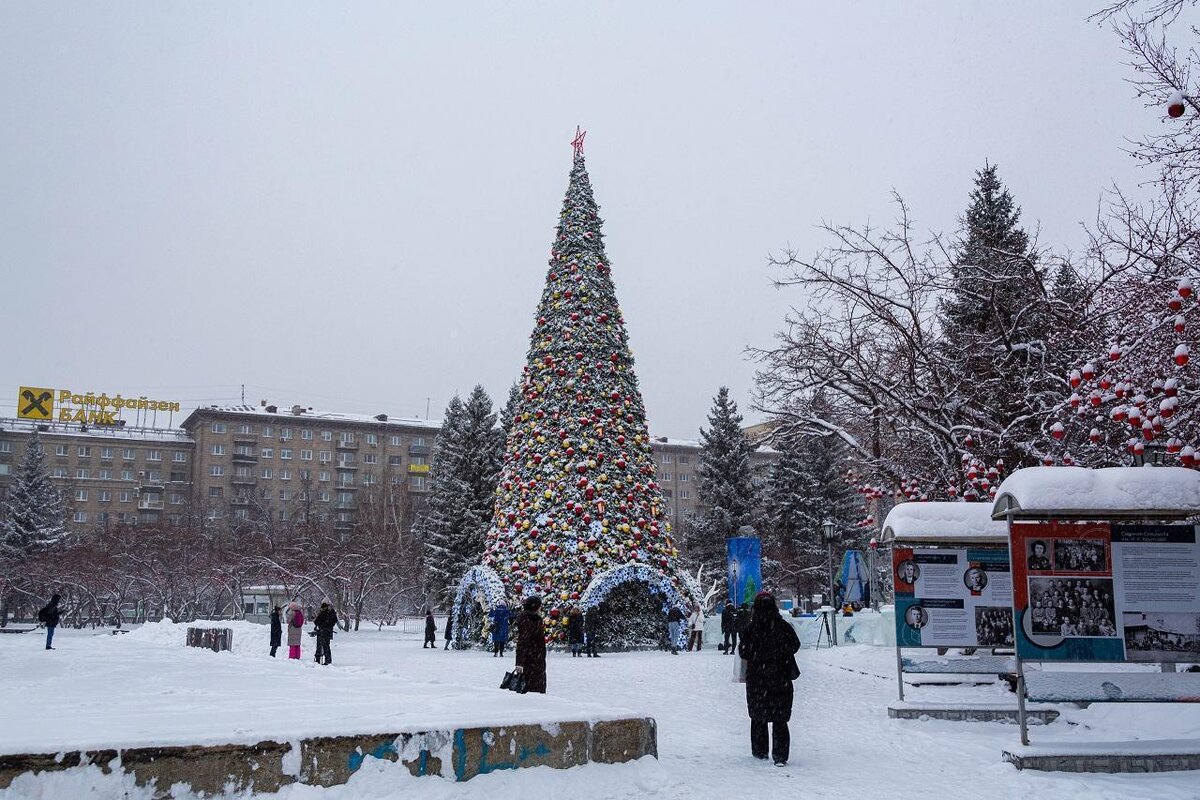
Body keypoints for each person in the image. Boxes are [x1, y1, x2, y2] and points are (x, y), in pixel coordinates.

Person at [738, 592, 801, 767]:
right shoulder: (783, 627)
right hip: (780, 678)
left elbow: (743, 651)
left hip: (758, 680)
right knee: (780, 718)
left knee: (759, 717)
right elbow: (795, 645)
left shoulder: (751, 629)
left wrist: (759, 656)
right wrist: (779, 654)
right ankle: (780, 755)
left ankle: (760, 751)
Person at [514, 596, 547, 693]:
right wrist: (519, 663)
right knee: (532, 690)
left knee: (533, 688)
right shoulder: (530, 619)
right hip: (532, 659)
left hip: (534, 658)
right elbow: (523, 642)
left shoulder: (532, 618)